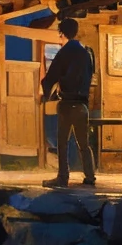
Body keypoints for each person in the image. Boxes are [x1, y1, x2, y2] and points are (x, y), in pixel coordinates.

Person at [40, 18, 96, 188]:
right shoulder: (86, 53)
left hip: (67, 103)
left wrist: (46, 94)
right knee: (83, 143)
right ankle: (90, 176)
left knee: (62, 142)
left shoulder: (64, 52)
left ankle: (63, 177)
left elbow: (51, 77)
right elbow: (90, 75)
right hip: (83, 105)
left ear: (62, 33)